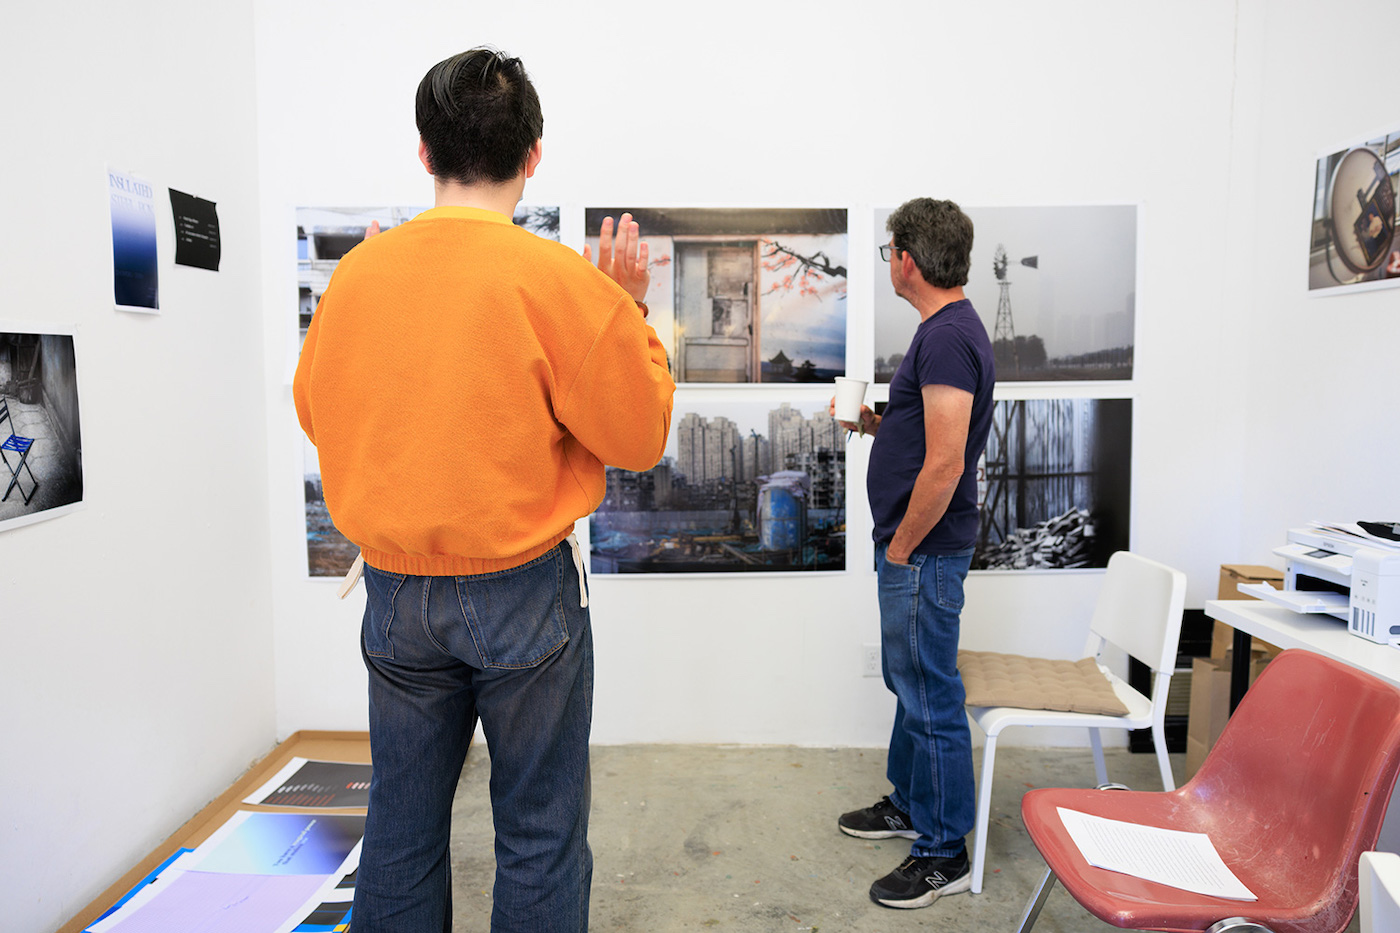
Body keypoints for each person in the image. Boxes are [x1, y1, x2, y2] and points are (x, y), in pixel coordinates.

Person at [293, 48, 675, 933]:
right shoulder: (560, 283)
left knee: (399, 826)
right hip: (520, 594)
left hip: (394, 592)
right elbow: (638, 434)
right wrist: (628, 313)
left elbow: (321, 414)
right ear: (533, 155)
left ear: (424, 152)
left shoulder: (358, 274)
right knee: (538, 832)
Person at [832, 198, 994, 909]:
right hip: (914, 552)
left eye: (888, 249)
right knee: (912, 681)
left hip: (921, 554)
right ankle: (909, 805)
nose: (888, 261)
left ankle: (944, 851)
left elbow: (947, 461)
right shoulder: (941, 331)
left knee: (930, 692)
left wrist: (901, 547)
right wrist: (874, 422)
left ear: (908, 260)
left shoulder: (949, 337)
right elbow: (925, 433)